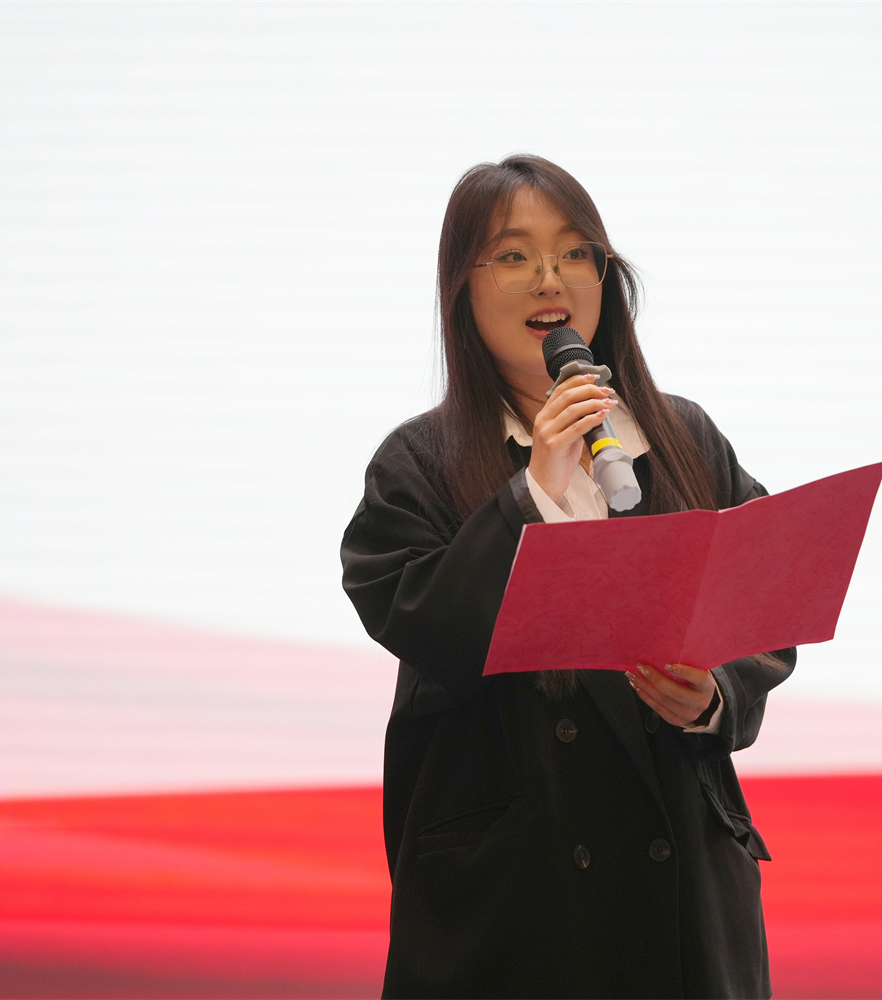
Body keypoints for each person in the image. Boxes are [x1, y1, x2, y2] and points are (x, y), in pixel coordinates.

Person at [340, 154, 796, 999]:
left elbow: (764, 603)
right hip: (514, 897)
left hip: (681, 893)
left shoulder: (684, 437)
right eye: (513, 255)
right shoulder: (417, 462)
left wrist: (714, 695)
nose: (550, 278)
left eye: (575, 252)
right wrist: (533, 493)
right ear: (462, 289)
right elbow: (420, 622)